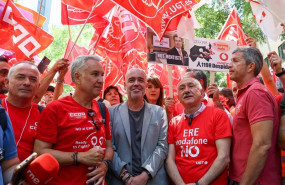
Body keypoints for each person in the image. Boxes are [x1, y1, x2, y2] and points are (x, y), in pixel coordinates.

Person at [34, 55, 114, 185]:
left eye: (102, 75)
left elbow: (109, 148)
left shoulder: (103, 109)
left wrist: (105, 164)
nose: (101, 80)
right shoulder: (55, 108)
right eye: (95, 74)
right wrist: (79, 157)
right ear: (77, 77)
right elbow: (40, 152)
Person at [228, 46, 282, 184]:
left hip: (257, 181)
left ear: (250, 67)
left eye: (235, 61)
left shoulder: (256, 93)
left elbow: (262, 144)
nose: (229, 65)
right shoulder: (246, 94)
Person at [166, 77, 232, 185]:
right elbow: (169, 160)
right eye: (182, 88)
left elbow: (224, 157)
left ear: (202, 93)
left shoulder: (218, 116)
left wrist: (199, 184)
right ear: (178, 97)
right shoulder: (174, 123)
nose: (186, 90)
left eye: (191, 86)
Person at [108, 68, 169, 185]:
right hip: (120, 180)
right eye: (131, 80)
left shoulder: (159, 112)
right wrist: (124, 176)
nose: (136, 83)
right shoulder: (111, 112)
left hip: (153, 179)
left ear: (145, 85)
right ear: (125, 86)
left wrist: (146, 174)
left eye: (140, 80)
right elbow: (110, 147)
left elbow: (162, 146)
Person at [0, 61, 42, 162]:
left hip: (26, 176)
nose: (27, 83)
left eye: (33, 79)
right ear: (7, 82)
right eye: (20, 77)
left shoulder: (45, 114)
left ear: (38, 86)